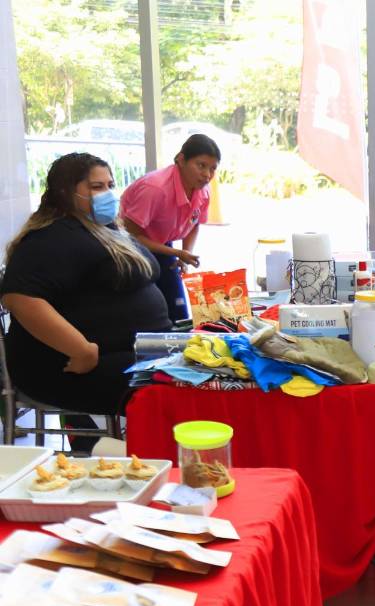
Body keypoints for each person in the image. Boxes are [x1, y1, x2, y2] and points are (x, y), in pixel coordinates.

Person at [1, 153, 170, 451]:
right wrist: (82, 349)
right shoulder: (50, 237)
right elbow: (20, 298)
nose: (107, 194)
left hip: (135, 350)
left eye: (110, 184)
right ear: (67, 192)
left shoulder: (106, 229)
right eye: (96, 187)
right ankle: (156, 463)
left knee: (207, 368)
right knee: (173, 386)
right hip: (67, 367)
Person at [120, 134, 221, 322]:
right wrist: (176, 252)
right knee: (151, 312)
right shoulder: (155, 188)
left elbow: (194, 223)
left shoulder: (203, 190)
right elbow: (131, 235)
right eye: (201, 165)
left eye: (213, 168)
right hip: (128, 247)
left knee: (178, 313)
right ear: (181, 160)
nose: (207, 174)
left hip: (163, 244)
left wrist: (185, 253)